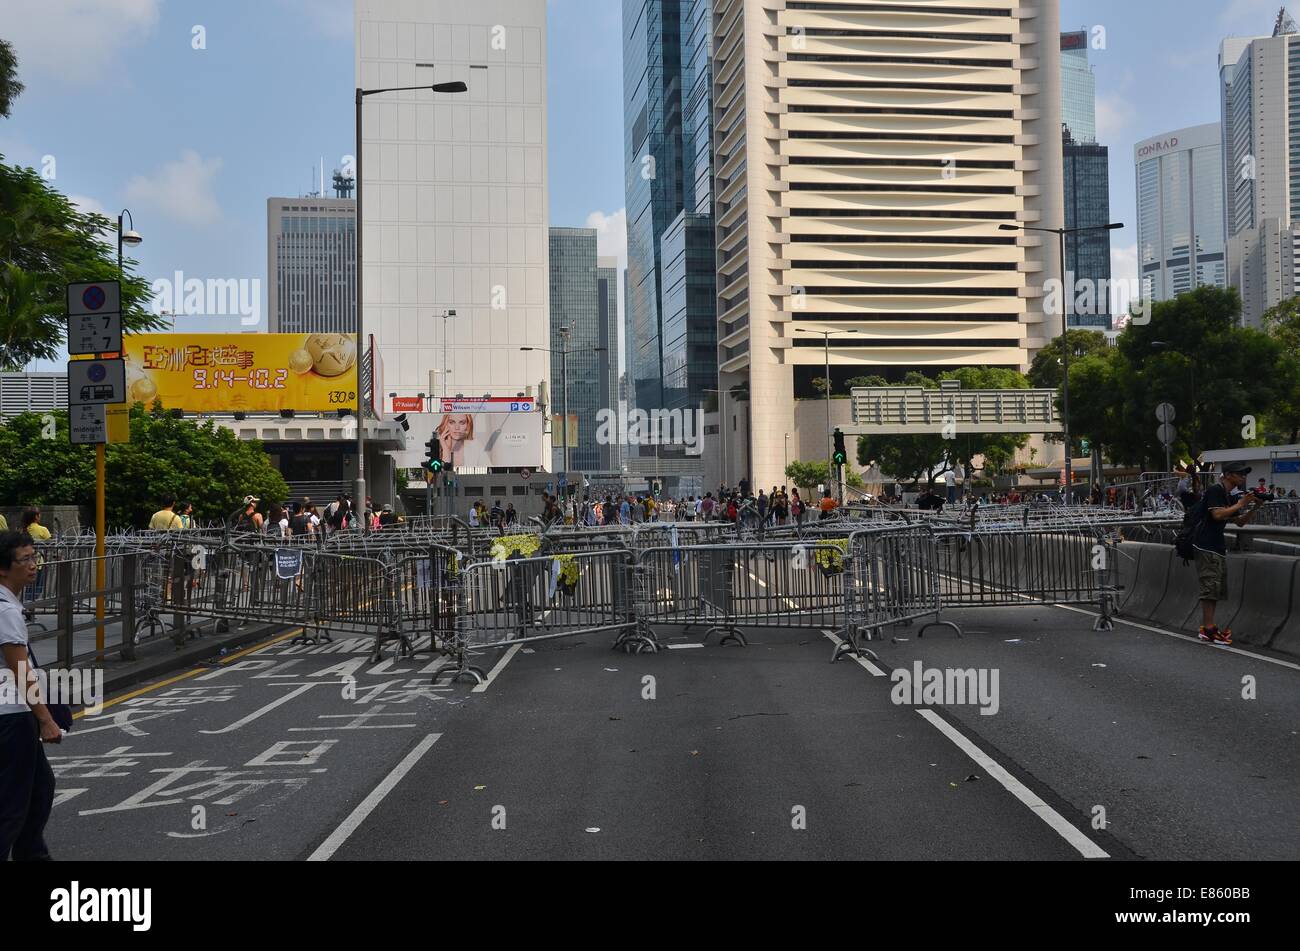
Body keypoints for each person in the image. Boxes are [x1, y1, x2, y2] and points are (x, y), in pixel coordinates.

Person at [0, 530, 60, 861]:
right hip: (11, 718)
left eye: (34, 557)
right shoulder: (6, 611)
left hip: (11, 716)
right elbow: (20, 670)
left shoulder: (8, 604)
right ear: (3, 568)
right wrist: (46, 720)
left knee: (38, 792)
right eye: (25, 560)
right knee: (12, 808)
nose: (33, 565)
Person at [1192, 462, 1265, 644]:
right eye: (1240, 474)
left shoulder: (1228, 496)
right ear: (1228, 474)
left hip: (1217, 546)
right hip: (1205, 545)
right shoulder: (1215, 490)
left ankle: (1210, 627)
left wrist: (1255, 507)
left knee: (1215, 588)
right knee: (1209, 586)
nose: (1243, 477)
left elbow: (1239, 522)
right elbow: (1217, 515)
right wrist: (1241, 502)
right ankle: (1208, 629)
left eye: (1244, 474)